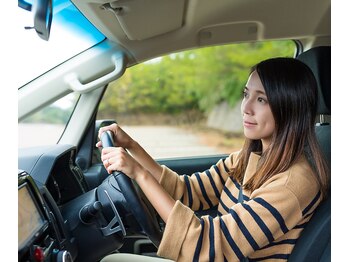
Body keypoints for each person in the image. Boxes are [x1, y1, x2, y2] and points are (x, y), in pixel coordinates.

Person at [97, 57, 329, 261]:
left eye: (262, 100)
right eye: (246, 94)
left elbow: (207, 245)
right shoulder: (248, 158)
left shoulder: (293, 185)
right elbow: (186, 191)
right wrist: (131, 146)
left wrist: (139, 173)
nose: (245, 108)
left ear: (290, 107)